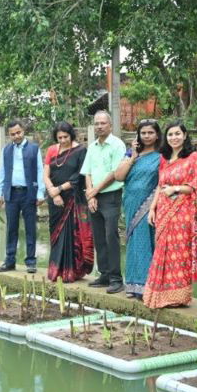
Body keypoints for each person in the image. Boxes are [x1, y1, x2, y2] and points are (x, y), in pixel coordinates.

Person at [143, 122, 197, 308]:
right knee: (161, 250)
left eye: (177, 134)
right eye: (170, 134)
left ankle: (178, 296)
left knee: (179, 252)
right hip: (164, 209)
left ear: (185, 135)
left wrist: (176, 188)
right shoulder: (164, 159)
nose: (174, 137)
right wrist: (152, 208)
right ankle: (159, 293)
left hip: (183, 211)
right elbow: (159, 186)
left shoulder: (194, 158)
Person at [112, 120, 162, 300]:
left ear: (157, 135)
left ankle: (146, 285)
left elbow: (162, 181)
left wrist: (154, 205)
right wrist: (133, 156)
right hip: (130, 202)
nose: (147, 136)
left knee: (145, 241)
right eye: (143, 133)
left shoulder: (162, 155)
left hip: (149, 204)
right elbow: (118, 176)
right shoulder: (131, 154)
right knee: (133, 243)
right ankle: (132, 284)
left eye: (150, 133)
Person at [80, 110, 127, 293]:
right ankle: (105, 274)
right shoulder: (92, 146)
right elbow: (87, 172)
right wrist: (91, 195)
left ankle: (116, 278)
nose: (99, 126)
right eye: (97, 123)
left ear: (110, 125)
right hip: (94, 197)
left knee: (111, 236)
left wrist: (94, 191)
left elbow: (115, 174)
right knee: (99, 236)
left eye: (103, 123)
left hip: (111, 197)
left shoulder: (117, 145)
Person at [42, 121, 94, 282]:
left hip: (72, 197)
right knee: (55, 234)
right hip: (54, 199)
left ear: (71, 135)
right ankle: (56, 270)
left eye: (66, 137)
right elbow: (45, 174)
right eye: (59, 137)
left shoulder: (80, 150)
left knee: (72, 235)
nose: (63, 140)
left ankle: (71, 271)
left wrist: (60, 189)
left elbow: (80, 175)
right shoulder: (52, 150)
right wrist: (52, 191)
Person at [0, 120, 45, 273]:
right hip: (11, 193)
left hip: (28, 193)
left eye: (18, 132)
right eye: (12, 134)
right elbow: (2, 172)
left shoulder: (34, 149)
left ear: (23, 131)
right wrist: (0, 192)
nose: (16, 136)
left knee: (30, 227)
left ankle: (31, 261)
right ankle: (10, 261)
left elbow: (40, 171)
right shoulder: (6, 150)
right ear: (9, 135)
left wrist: (40, 192)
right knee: (11, 228)